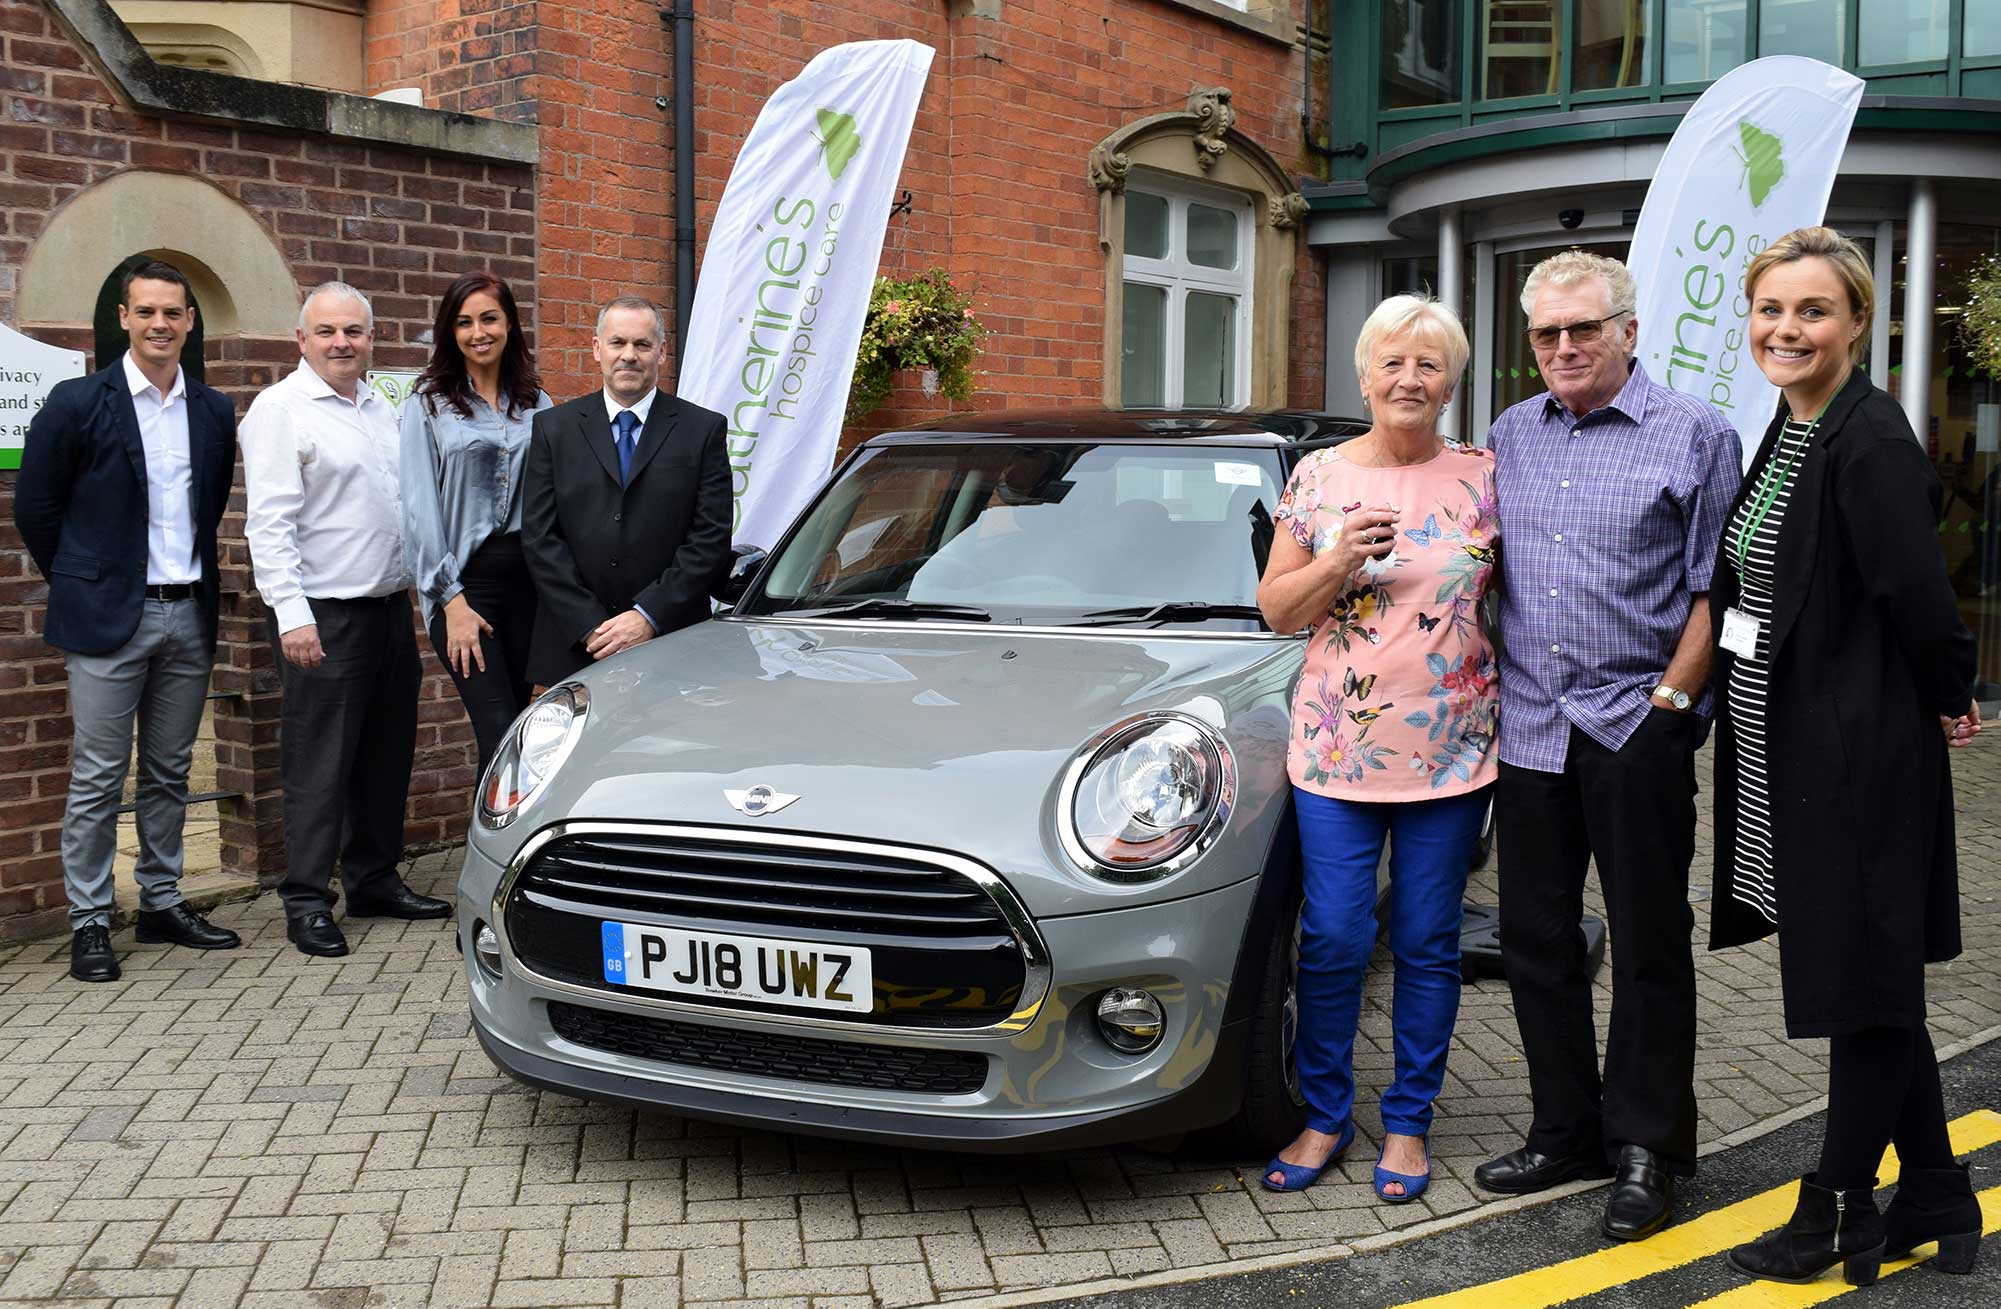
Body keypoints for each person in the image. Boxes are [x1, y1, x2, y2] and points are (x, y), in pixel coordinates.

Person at [1713, 228, 1982, 1285]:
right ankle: (1936, 1191)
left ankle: (1835, 1208)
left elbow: (1921, 596)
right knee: (1875, 976)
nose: (1788, 329)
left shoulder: (1869, 440)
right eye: (1772, 309)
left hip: (1854, 755)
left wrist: (1953, 692)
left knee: (1864, 984)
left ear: (1858, 323)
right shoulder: (1792, 428)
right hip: (1796, 752)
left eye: (1813, 311)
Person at [1476, 250, 1742, 1241]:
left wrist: (1675, 705)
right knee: (1535, 941)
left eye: (1583, 328)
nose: (1564, 347)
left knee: (1649, 940)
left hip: (1637, 724)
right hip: (1532, 728)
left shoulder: (1697, 434)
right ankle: (1567, 1130)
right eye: (1546, 333)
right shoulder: (1509, 435)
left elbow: (1722, 590)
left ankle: (1648, 1146)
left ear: (1629, 329)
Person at [1255, 295, 1498, 1201]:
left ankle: (1407, 1123)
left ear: (1449, 382)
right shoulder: (1317, 477)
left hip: (1451, 751)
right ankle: (1323, 1115)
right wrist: (1334, 563)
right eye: (1392, 362)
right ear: (1363, 376)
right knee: (1331, 939)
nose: (1409, 379)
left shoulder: (1483, 476)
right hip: (1336, 752)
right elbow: (1276, 610)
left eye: (1428, 365)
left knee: (1429, 941)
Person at [13, 260, 242, 981]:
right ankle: (89, 919)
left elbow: (209, 508)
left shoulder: (210, 409)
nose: (160, 325)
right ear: (122, 317)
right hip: (107, 619)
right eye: (146, 312)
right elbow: (36, 509)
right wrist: (86, 582)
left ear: (190, 320)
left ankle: (162, 901)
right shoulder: (77, 402)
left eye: (172, 312)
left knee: (169, 770)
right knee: (98, 776)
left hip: (187, 614)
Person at [241, 282, 451, 960]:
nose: (341, 342)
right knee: (319, 764)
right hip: (324, 615)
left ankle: (373, 879)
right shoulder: (280, 409)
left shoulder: (380, 405)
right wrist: (291, 615)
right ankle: (306, 899)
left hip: (390, 608)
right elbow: (268, 523)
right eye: (327, 331)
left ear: (370, 338)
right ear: (301, 339)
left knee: (385, 755)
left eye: (354, 331)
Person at [520, 295, 731, 686]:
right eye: (618, 343)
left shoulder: (702, 430)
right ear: (597, 348)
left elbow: (710, 539)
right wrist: (591, 626)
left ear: (662, 352)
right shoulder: (553, 429)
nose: (629, 355)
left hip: (674, 641)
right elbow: (540, 538)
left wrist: (647, 617)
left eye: (642, 344)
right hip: (576, 646)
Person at [399, 272, 551, 774]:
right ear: (450, 332)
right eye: (464, 323)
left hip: (529, 588)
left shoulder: (537, 403)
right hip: (466, 588)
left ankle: (507, 849)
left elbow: (553, 503)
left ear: (509, 323)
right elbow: (419, 511)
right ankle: (491, 853)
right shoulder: (428, 405)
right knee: (500, 735)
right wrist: (452, 603)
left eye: (489, 318)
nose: (478, 332)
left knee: (522, 736)